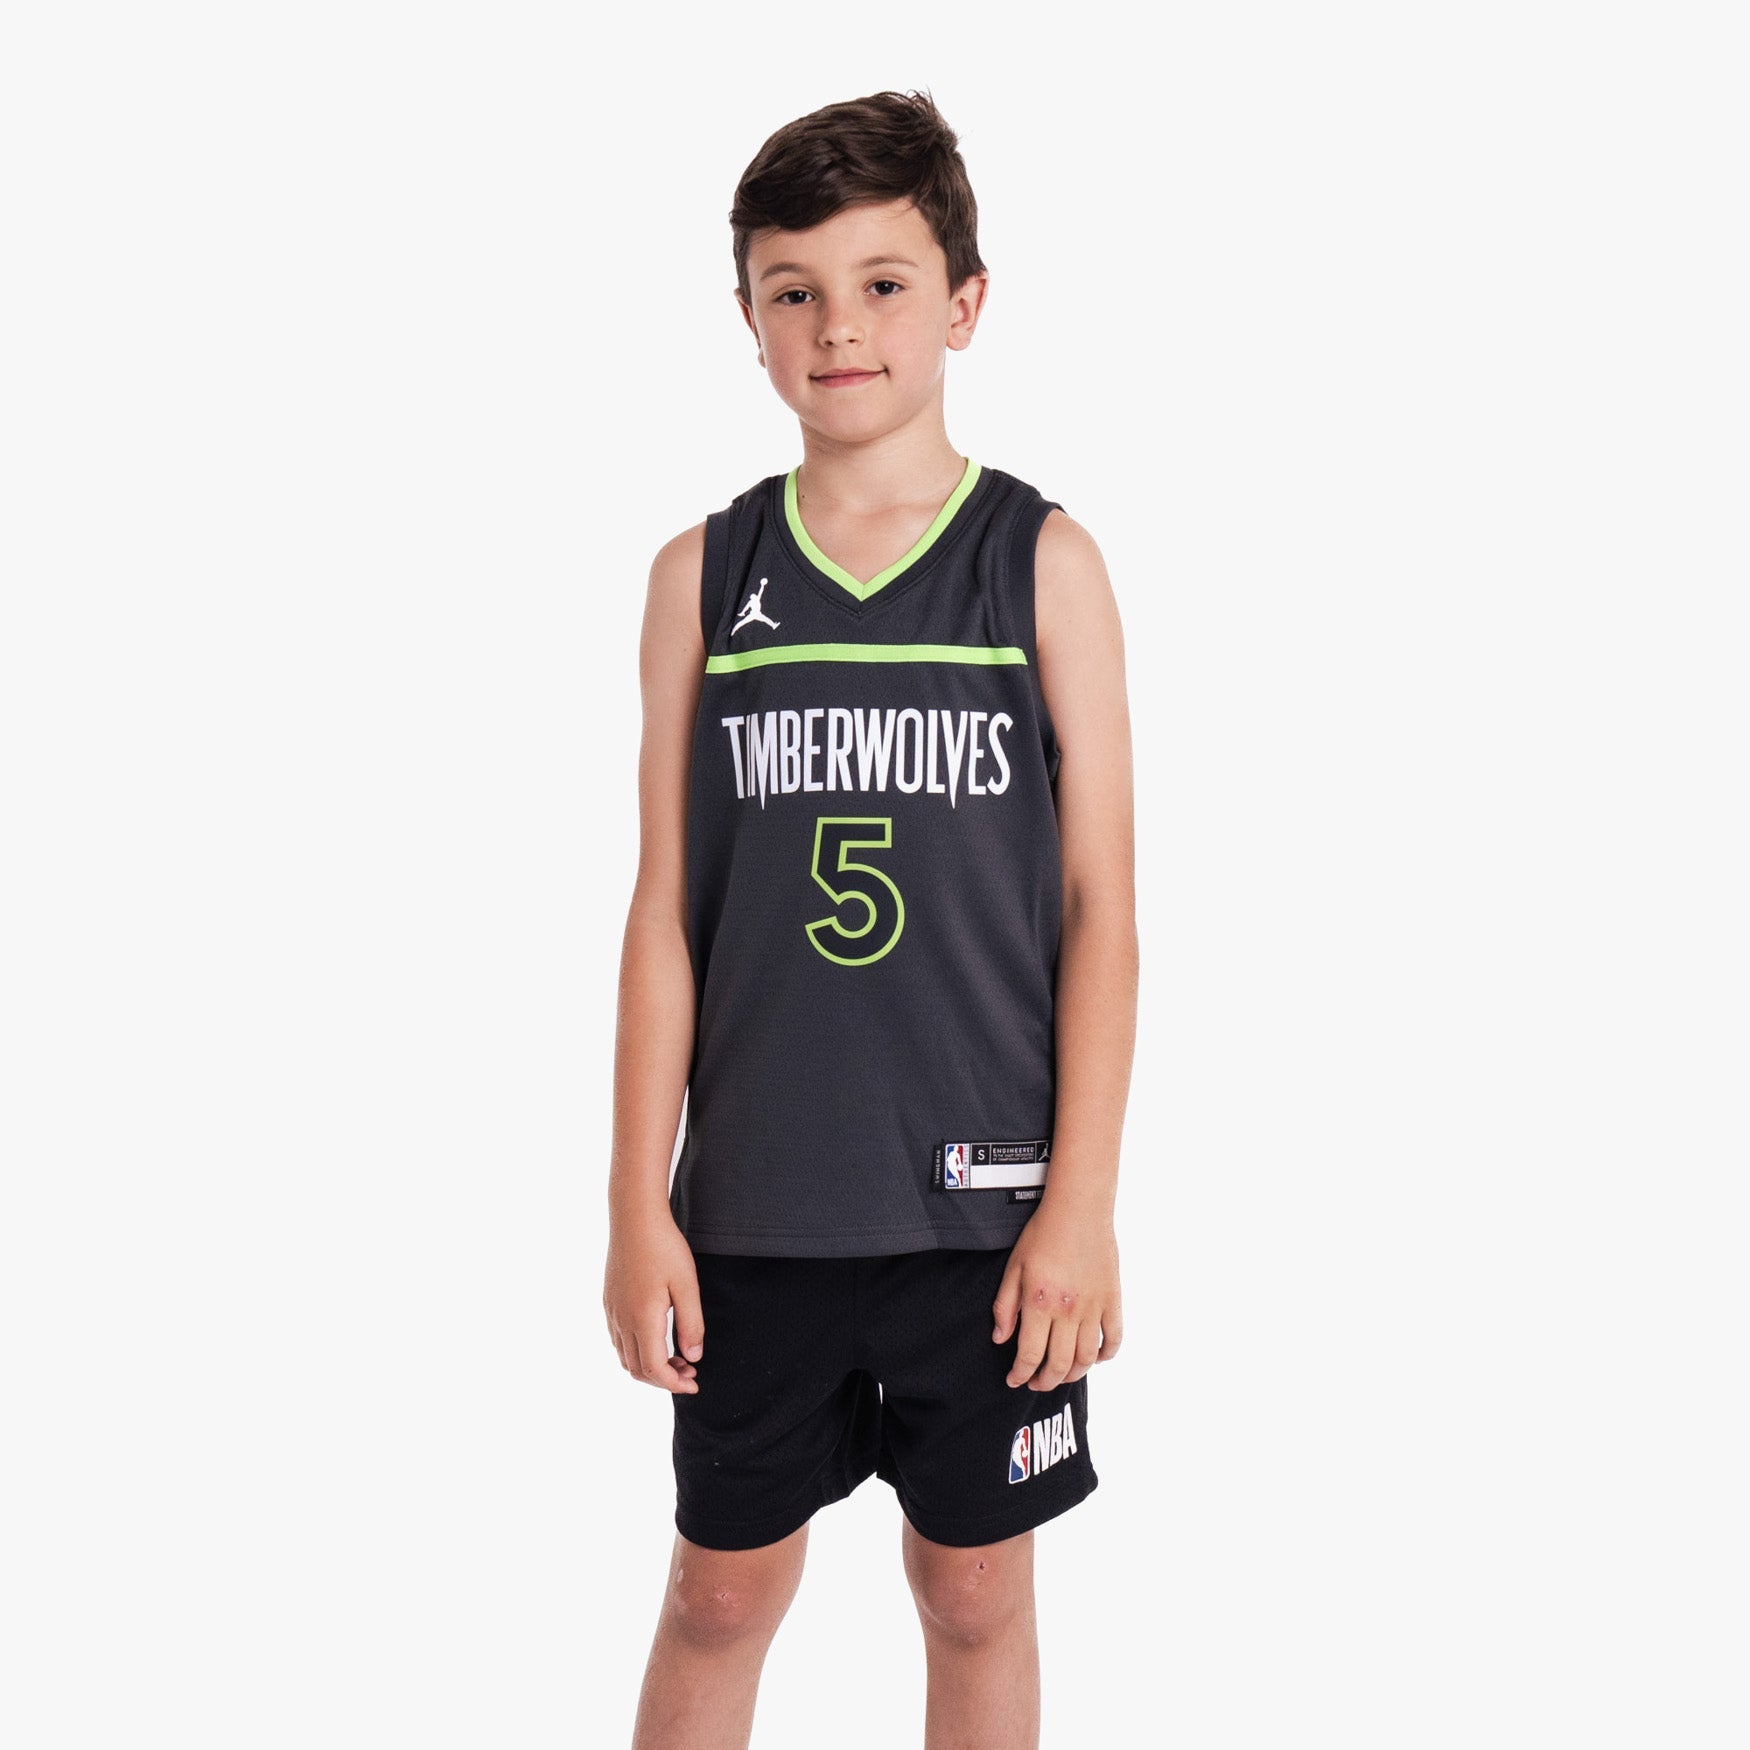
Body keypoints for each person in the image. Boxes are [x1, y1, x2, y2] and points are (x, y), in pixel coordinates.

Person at [603, 88, 1138, 1750]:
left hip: (985, 1214)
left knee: (975, 1591)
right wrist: (634, 1198)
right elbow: (663, 910)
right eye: (795, 289)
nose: (839, 326)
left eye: (883, 283)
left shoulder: (1041, 564)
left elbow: (1103, 907)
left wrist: (1081, 1204)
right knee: (717, 1593)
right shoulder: (704, 577)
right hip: (758, 1206)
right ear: (749, 316)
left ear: (963, 303)